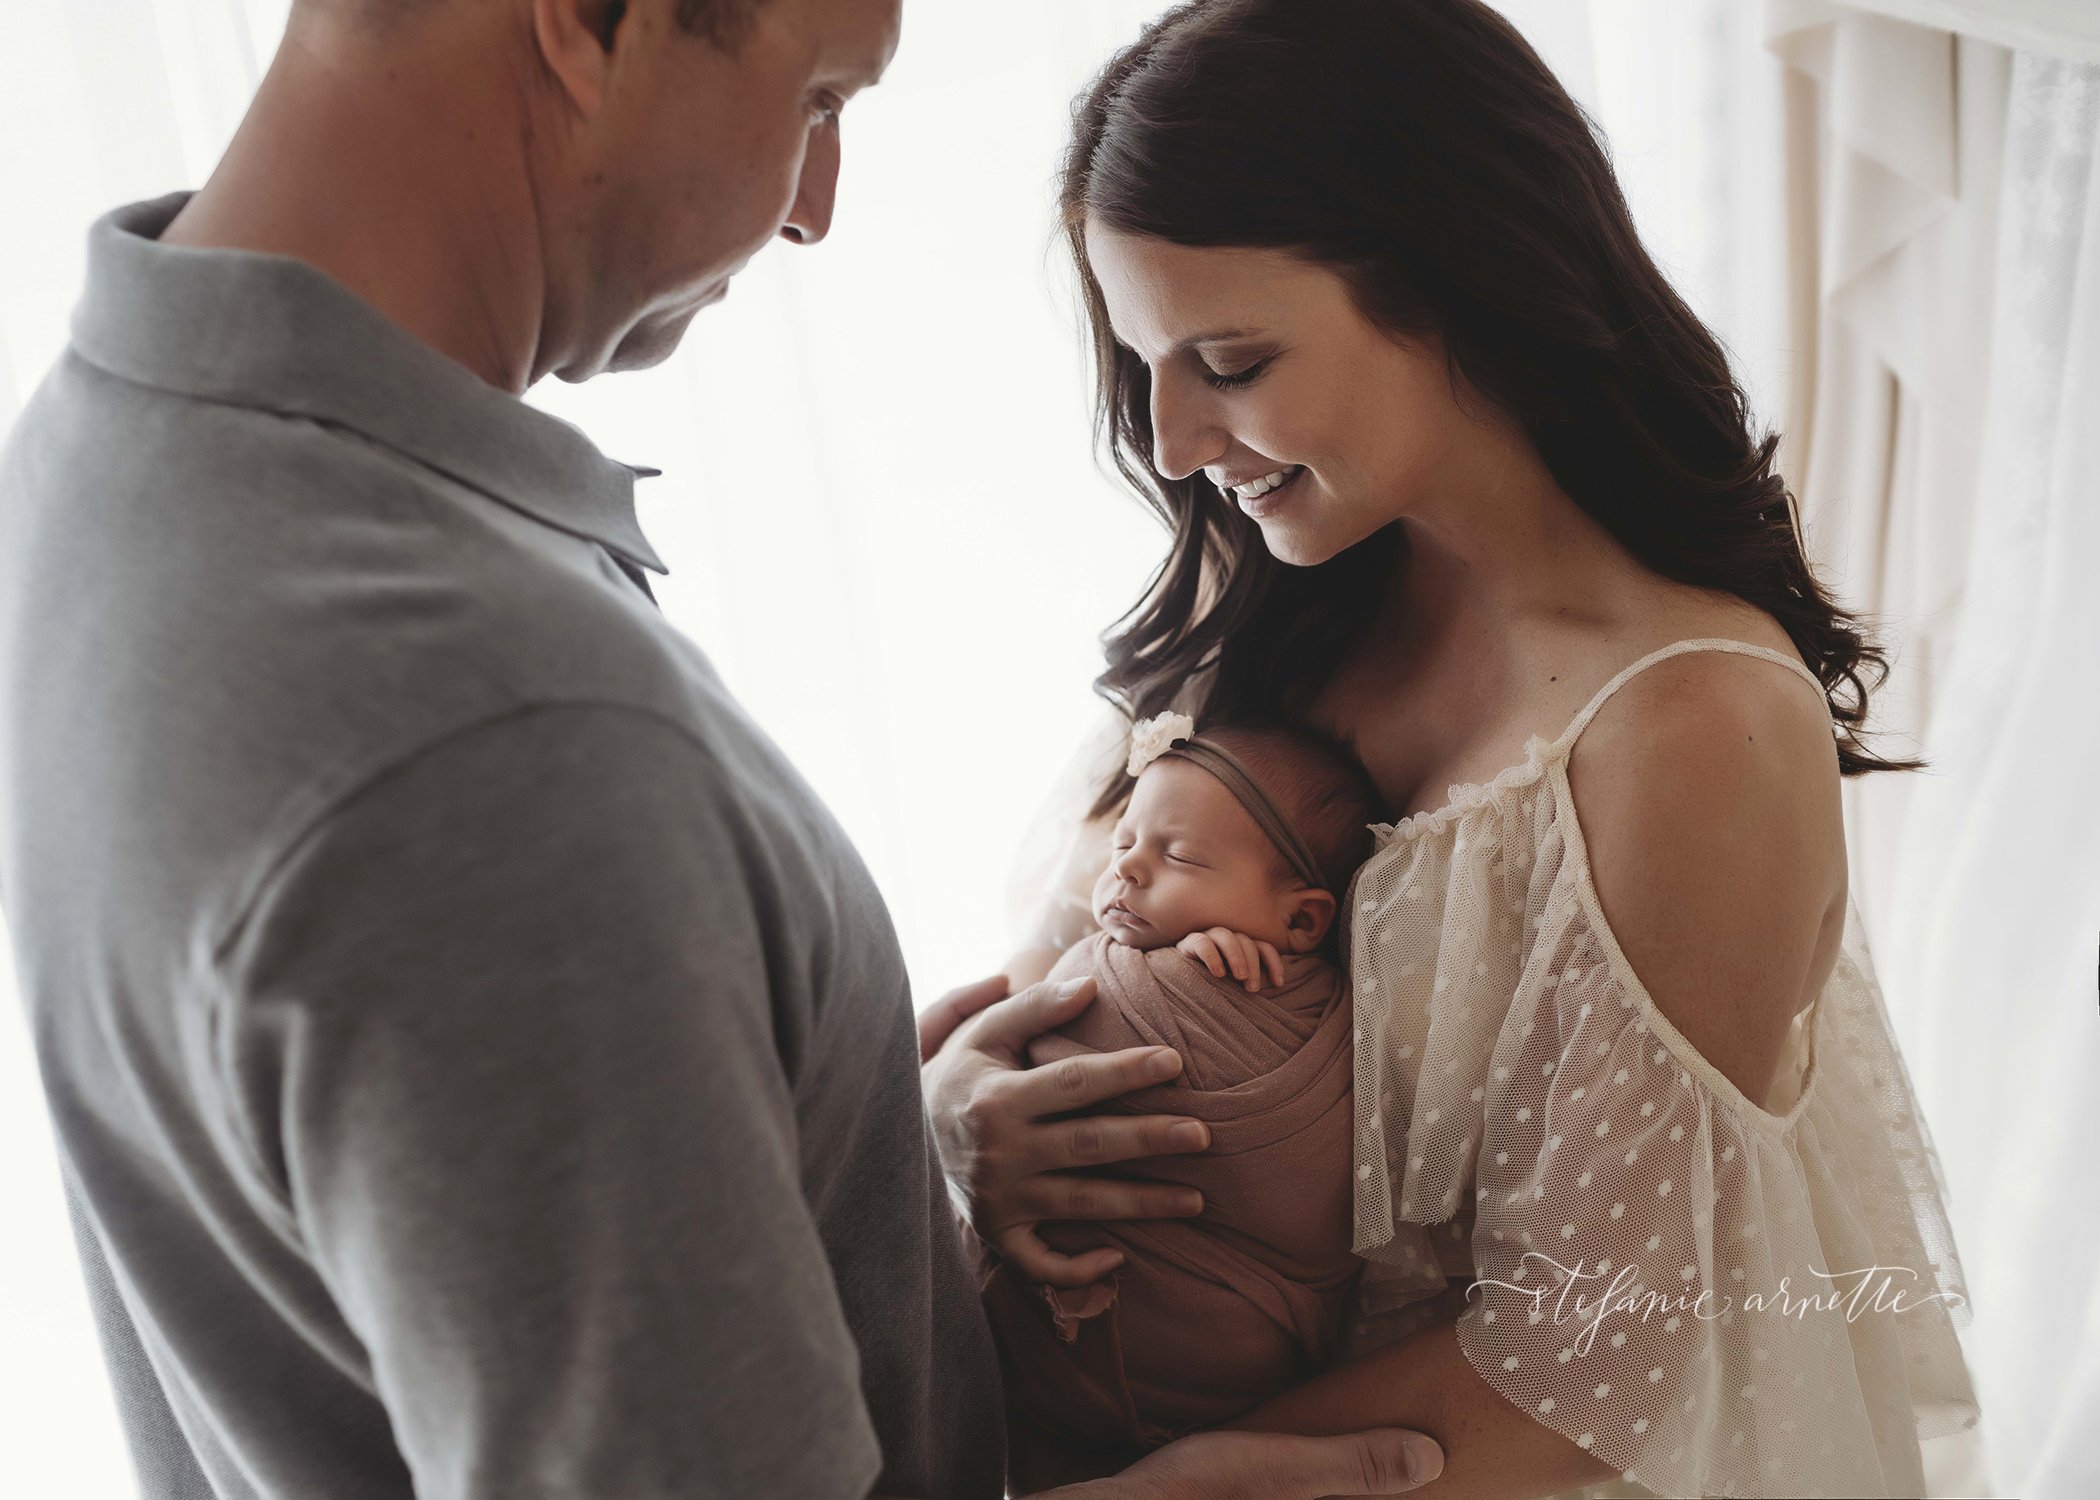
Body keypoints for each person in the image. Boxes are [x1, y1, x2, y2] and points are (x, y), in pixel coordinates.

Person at [0, 0, 1448, 1497]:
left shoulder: (104, 446)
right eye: (819, 99)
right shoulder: (501, 743)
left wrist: (867, 1160)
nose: (813, 209)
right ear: (580, 21)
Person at [922, 2, 1982, 1497]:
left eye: (1228, 357)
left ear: (1455, 281)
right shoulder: (1249, 613)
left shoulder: (1693, 725)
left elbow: (1590, 1361)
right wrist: (959, 1126)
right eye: (1145, 360)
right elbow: (1055, 994)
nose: (1167, 442)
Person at [981, 717, 1381, 1491]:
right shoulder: (1147, 953)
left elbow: (1298, 1187)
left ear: (1300, 921)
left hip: (1202, 1373)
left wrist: (1184, 988)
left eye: (1181, 856)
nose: (1126, 871)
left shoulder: (1293, 1011)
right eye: (1123, 842)